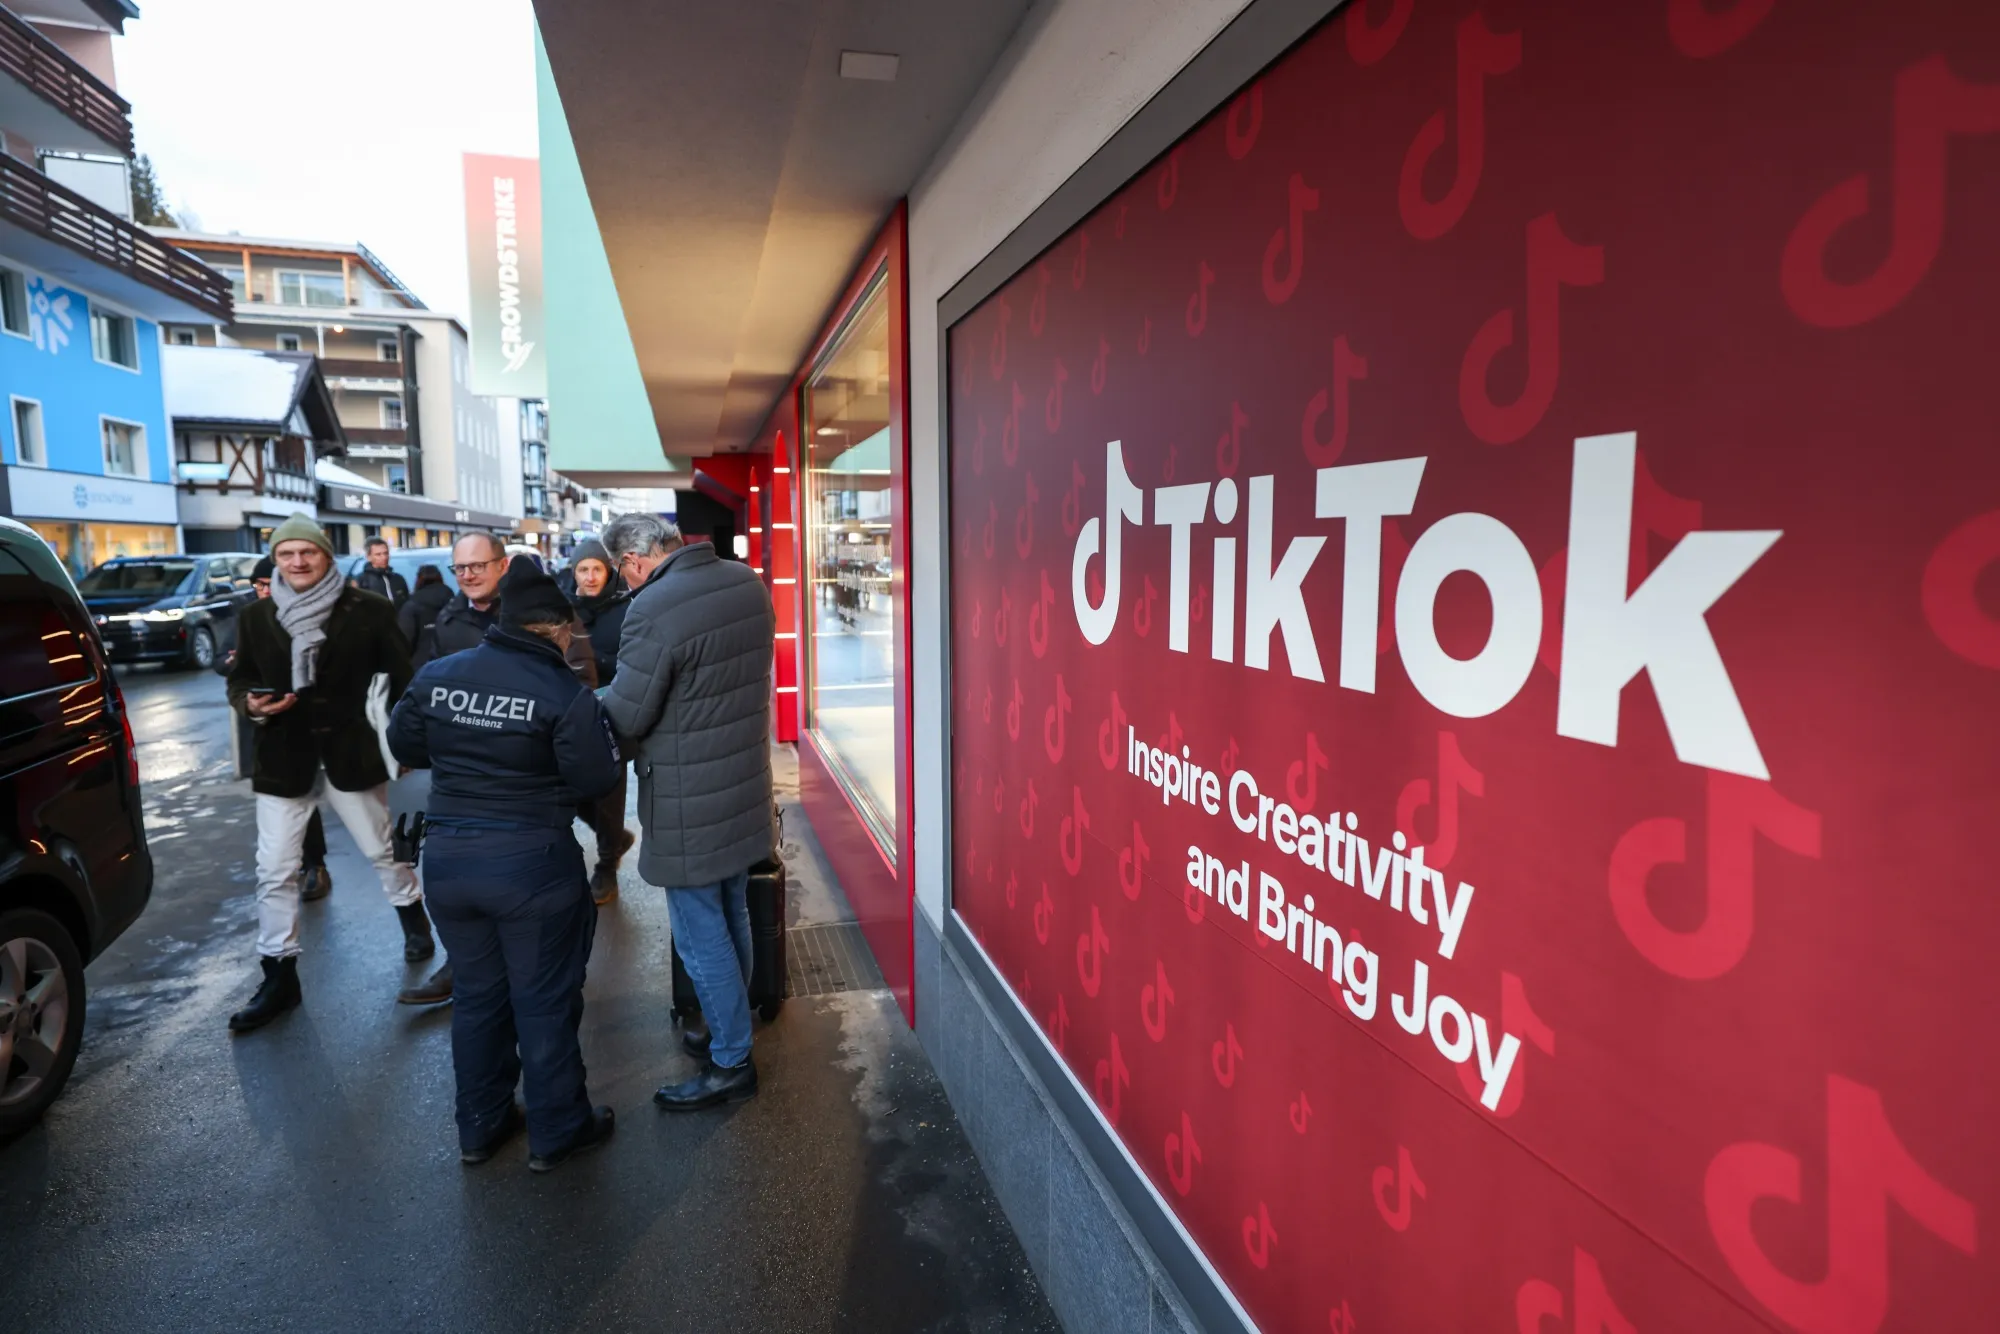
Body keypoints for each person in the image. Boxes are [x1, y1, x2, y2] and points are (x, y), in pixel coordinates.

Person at [389, 556, 622, 1171]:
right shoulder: (563, 692)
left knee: (477, 996)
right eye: (569, 629)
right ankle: (558, 1130)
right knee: (543, 999)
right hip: (530, 863)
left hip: (449, 862)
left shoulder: (439, 674)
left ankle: (480, 1126)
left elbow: (405, 742)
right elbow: (597, 778)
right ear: (551, 630)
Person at [224, 514, 434, 1032]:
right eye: (286, 554)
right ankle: (279, 974)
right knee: (273, 868)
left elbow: (404, 682)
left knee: (382, 847)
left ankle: (413, 918)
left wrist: (409, 746)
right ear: (276, 561)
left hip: (350, 750)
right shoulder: (257, 616)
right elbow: (241, 678)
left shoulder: (369, 610)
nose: (297, 562)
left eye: (307, 553)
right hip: (282, 756)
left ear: (326, 556)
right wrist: (251, 704)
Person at [600, 513, 776, 1111]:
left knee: (703, 936)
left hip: (686, 799)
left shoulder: (652, 608)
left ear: (632, 561)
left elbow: (626, 714)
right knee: (733, 913)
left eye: (624, 574)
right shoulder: (745, 581)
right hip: (741, 782)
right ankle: (731, 1030)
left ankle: (731, 1061)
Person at [221, 556, 331, 903]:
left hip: (312, 725)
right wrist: (235, 670)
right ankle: (295, 870)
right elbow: (227, 663)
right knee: (284, 806)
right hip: (269, 726)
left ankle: (315, 865)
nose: (265, 591)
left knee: (306, 798)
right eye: (259, 586)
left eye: (270, 585)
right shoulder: (250, 618)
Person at [566, 537, 634, 905]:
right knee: (572, 789)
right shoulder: (562, 609)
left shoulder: (625, 607)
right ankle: (616, 839)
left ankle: (607, 865)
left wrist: (592, 660)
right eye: (583, 569)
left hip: (612, 712)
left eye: (596, 569)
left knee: (610, 794)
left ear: (608, 570)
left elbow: (633, 660)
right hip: (570, 712)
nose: (590, 577)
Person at [397, 563, 451, 649]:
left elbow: (404, 641)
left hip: (420, 659)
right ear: (440, 577)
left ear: (418, 579)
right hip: (450, 658)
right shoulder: (454, 603)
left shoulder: (411, 605)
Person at [350, 537, 410, 605]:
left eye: (386, 553)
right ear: (368, 557)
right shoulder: (360, 580)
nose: (384, 557)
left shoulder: (398, 579)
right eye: (378, 554)